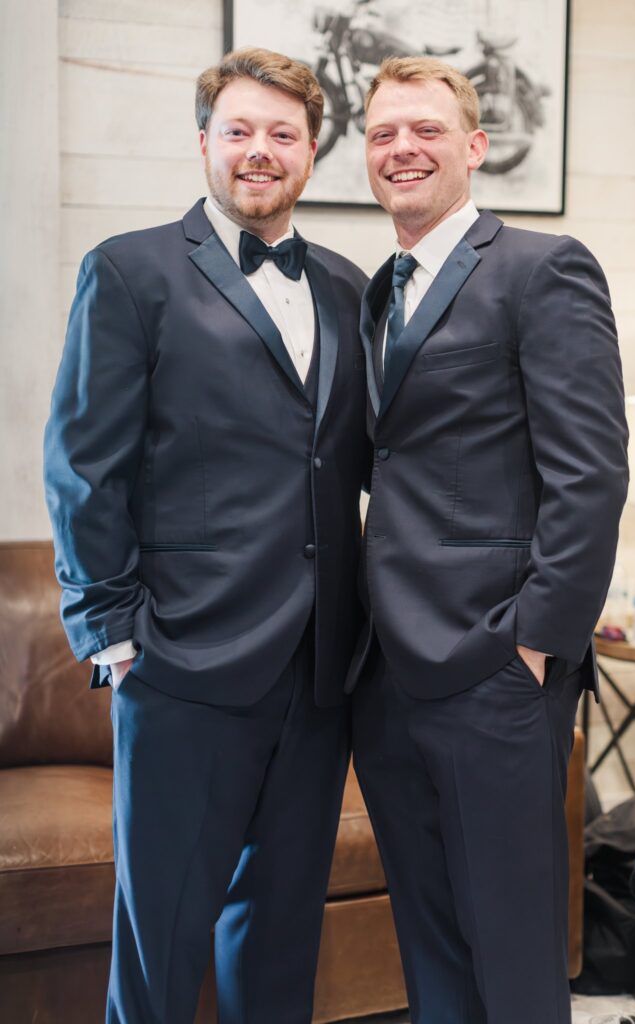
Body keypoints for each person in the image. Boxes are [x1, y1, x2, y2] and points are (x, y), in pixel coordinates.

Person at [44, 47, 368, 1024]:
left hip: (316, 677)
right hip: (181, 665)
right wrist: (112, 632)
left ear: (311, 152)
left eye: (282, 133)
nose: (259, 150)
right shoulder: (130, 271)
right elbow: (83, 463)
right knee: (160, 949)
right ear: (203, 143)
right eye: (238, 130)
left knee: (279, 947)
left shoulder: (352, 288)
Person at [347, 56, 628, 1024]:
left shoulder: (540, 267)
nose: (401, 148)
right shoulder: (379, 291)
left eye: (424, 129)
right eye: (382, 133)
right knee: (425, 939)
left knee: (509, 945)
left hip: (493, 673)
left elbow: (588, 472)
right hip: (382, 673)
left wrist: (534, 643)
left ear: (473, 147)